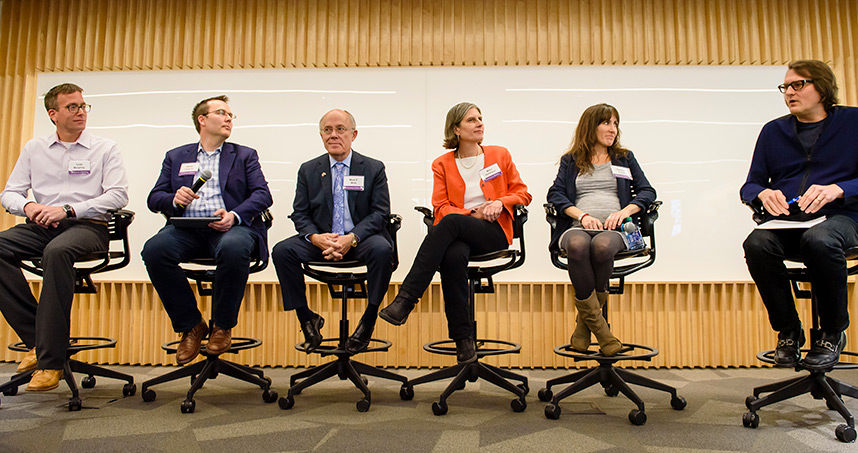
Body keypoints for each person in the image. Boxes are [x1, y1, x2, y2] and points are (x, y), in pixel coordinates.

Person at [379, 102, 532, 364]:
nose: (479, 123)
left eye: (480, 118)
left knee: (450, 222)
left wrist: (499, 202)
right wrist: (473, 213)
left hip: (493, 233)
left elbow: (523, 193)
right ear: (456, 129)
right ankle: (463, 340)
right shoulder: (442, 164)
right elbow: (440, 206)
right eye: (471, 120)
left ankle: (406, 299)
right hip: (461, 234)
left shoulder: (500, 154)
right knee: (452, 255)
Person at [0, 83, 129, 391]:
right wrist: (29, 206)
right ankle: (38, 339)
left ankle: (50, 361)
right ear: (53, 114)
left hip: (88, 227)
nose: (81, 112)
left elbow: (118, 195)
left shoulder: (105, 148)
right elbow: (9, 193)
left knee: (57, 252)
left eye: (83, 106)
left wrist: (68, 210)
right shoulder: (35, 149)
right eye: (72, 107)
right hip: (43, 226)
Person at [741, 60, 858, 370]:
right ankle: (788, 331)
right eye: (786, 87)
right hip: (791, 221)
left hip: (843, 217)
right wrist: (762, 193)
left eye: (798, 85)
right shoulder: (773, 131)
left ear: (822, 88)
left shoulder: (853, 121)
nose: (789, 92)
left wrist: (840, 189)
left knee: (819, 240)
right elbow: (751, 185)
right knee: (756, 244)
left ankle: (832, 333)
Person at [141, 95, 272, 365]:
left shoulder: (244, 155)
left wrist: (234, 215)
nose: (228, 119)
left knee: (234, 247)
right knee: (154, 250)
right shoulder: (176, 156)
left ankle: (222, 326)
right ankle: (191, 325)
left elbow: (262, 194)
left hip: (229, 228)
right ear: (202, 119)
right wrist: (174, 199)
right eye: (222, 113)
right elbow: (154, 198)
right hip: (187, 229)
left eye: (231, 115)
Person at [272, 109, 393, 355]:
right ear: (321, 135)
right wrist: (315, 238)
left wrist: (352, 237)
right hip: (321, 240)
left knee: (383, 250)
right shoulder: (308, 169)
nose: (333, 135)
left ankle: (368, 321)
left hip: (359, 240)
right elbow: (300, 213)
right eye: (327, 130)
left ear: (353, 135)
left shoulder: (373, 168)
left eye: (340, 129)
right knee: (282, 251)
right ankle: (307, 320)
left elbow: (380, 212)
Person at [546, 103, 656, 356]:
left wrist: (625, 211)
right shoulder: (571, 160)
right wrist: (582, 216)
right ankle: (604, 333)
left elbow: (647, 191)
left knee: (602, 246)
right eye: (606, 123)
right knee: (577, 245)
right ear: (590, 126)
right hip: (578, 226)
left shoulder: (624, 158)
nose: (613, 129)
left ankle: (584, 327)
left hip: (617, 230)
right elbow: (555, 194)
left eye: (615, 124)